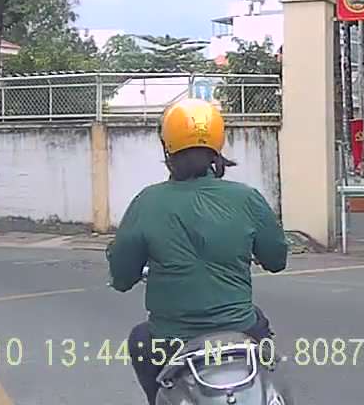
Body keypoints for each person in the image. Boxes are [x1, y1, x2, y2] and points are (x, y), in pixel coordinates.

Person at [108, 97, 288, 405]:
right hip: (241, 331)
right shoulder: (247, 198)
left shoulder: (147, 202)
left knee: (140, 340)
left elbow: (122, 278)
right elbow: (276, 260)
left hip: (169, 341)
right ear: (217, 146)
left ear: (168, 149)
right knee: (268, 361)